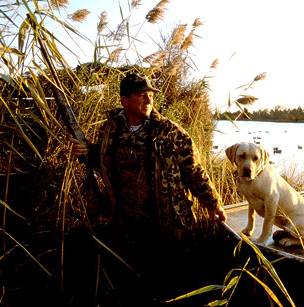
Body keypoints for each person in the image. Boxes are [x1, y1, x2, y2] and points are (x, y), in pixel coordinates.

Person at [69, 71, 227, 304]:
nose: (148, 100)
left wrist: (212, 203)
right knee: (133, 284)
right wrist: (86, 152)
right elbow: (102, 160)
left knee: (171, 286)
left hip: (167, 224)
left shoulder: (170, 132)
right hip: (125, 223)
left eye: (150, 95)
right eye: (141, 95)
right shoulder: (111, 129)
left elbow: (194, 171)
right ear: (125, 100)